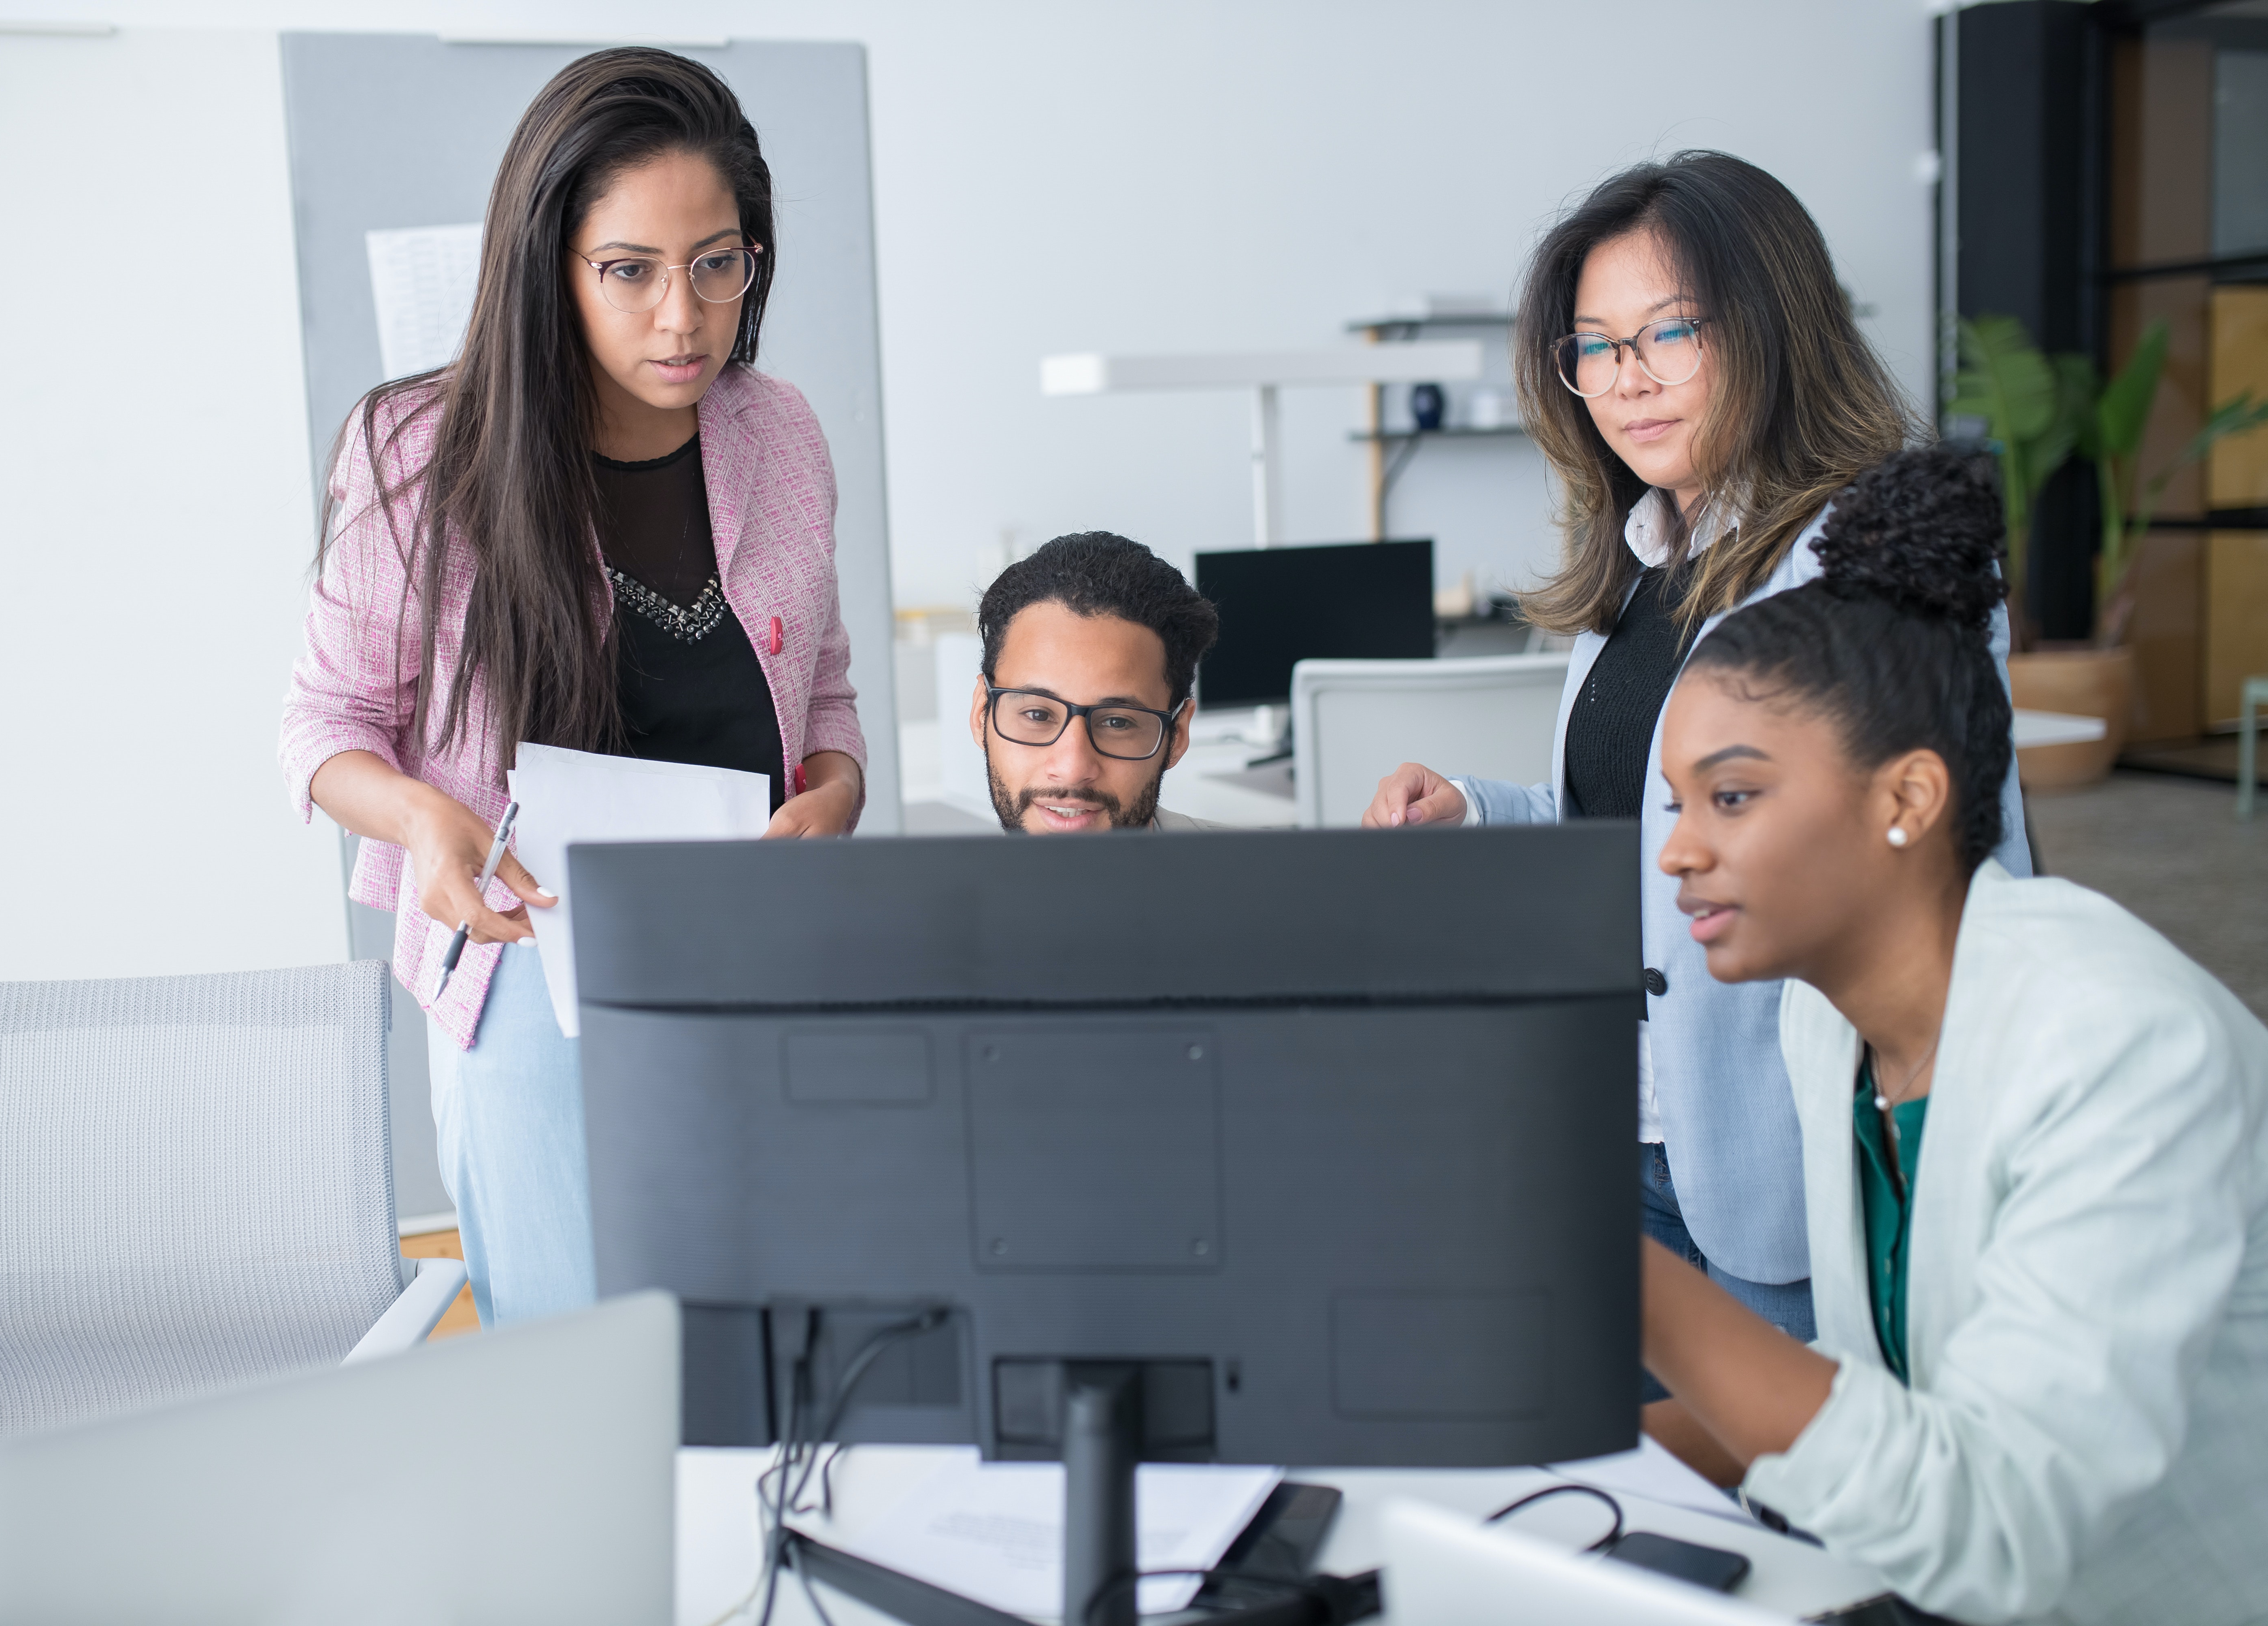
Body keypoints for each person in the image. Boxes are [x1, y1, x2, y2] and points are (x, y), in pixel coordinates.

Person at [1361, 152, 2032, 1450]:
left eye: (1671, 331)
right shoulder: (1641, 562)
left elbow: (1945, 869)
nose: (1628, 376)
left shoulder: (1870, 559)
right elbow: (1654, 832)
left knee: (1809, 1514)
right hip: (1630, 1125)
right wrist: (1485, 813)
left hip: (1786, 1150)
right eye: (1595, 346)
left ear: (1773, 328)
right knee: (1648, 1499)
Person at [278, 49, 866, 1327]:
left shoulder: (782, 430)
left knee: (783, 1360)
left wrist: (838, 791)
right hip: (529, 987)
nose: (683, 318)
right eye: (631, 271)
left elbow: (822, 689)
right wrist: (425, 824)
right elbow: (324, 730)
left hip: (753, 969)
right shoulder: (419, 452)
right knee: (583, 1372)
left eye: (720, 264)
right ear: (551, 266)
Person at [1640, 445, 2268, 1625]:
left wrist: (1610, 1278)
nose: (1675, 849)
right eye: (1675, 805)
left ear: (1906, 800)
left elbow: (1995, 1527)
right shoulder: (1824, 1025)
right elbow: (1871, 1393)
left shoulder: (2121, 1044)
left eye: (1729, 797)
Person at [969, 532, 1224, 833]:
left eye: (1117, 722)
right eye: (1038, 715)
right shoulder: (915, 880)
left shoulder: (1276, 877)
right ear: (982, 714)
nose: (1072, 770)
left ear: (1177, 737)